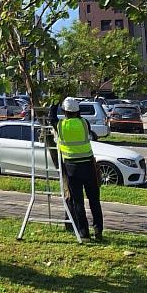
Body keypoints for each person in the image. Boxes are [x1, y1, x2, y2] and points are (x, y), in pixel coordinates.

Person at [54, 96, 104, 241]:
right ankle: (98, 231)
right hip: (88, 166)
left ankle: (84, 233)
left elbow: (51, 115)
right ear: (78, 111)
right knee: (94, 200)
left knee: (78, 202)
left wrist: (56, 99)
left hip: (71, 168)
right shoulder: (84, 123)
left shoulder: (60, 125)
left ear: (64, 111)